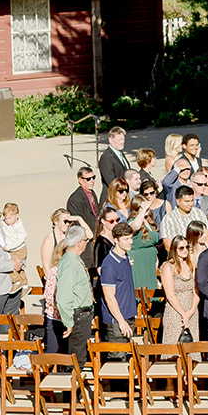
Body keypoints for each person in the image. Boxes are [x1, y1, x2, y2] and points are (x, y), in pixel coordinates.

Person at [56, 224, 95, 373]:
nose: (87, 242)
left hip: (81, 315)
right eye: (86, 240)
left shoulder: (72, 259)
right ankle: (72, 394)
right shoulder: (71, 263)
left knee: (78, 357)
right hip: (77, 316)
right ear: (80, 243)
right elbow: (63, 298)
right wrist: (69, 322)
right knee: (75, 359)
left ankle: (74, 392)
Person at [99, 223, 138, 341]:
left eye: (131, 238)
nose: (130, 242)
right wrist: (121, 321)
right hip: (116, 322)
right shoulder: (109, 265)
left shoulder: (125, 257)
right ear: (115, 240)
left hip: (128, 316)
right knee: (117, 358)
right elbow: (109, 297)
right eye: (126, 239)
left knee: (128, 357)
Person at [98, 125, 130, 190]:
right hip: (112, 196)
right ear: (110, 140)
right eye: (119, 140)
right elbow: (111, 181)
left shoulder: (120, 154)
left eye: (123, 139)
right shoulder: (106, 157)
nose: (122, 142)